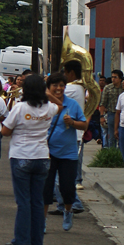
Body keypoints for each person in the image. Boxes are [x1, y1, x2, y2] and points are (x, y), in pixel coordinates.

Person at [1, 74, 62, 245]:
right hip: (42, 156)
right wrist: (47, 93)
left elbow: (5, 131)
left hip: (21, 155)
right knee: (37, 201)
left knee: (23, 201)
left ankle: (22, 239)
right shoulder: (49, 108)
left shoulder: (20, 108)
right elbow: (60, 104)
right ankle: (37, 241)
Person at [43, 73, 87, 232]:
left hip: (68, 153)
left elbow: (84, 125)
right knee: (46, 188)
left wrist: (72, 122)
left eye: (62, 85)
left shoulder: (72, 104)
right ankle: (43, 220)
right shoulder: (43, 103)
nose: (59, 88)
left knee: (67, 188)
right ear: (48, 88)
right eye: (55, 85)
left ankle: (68, 211)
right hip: (46, 153)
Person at [63, 60, 89, 191]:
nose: (64, 75)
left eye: (65, 72)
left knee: (71, 161)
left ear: (71, 73)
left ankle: (76, 182)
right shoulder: (79, 87)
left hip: (72, 130)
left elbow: (51, 97)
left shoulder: (72, 88)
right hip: (74, 130)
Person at [99, 71, 121, 149]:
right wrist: (101, 116)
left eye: (115, 77)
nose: (113, 79)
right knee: (111, 136)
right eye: (112, 77)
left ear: (120, 79)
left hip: (123, 115)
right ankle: (112, 154)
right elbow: (103, 103)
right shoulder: (108, 88)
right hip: (112, 114)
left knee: (121, 136)